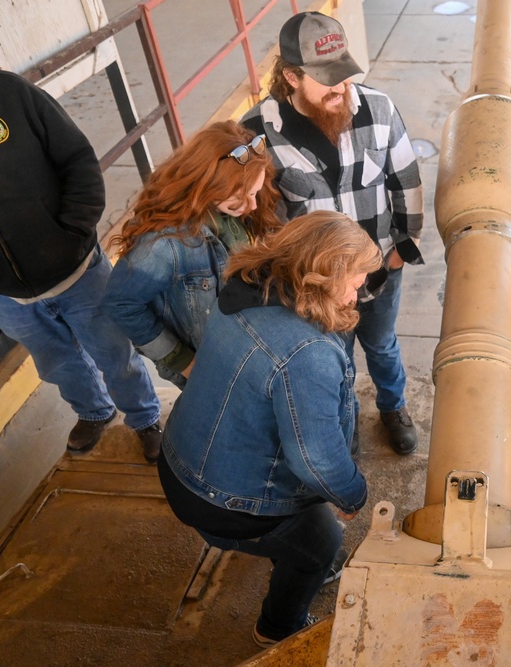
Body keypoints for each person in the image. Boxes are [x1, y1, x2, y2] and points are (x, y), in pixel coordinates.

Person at [157, 210, 380, 648]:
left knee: (310, 534)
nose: (358, 295)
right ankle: (278, 628)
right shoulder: (307, 351)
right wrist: (352, 494)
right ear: (323, 276)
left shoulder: (245, 289)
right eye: (355, 282)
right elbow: (315, 461)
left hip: (179, 460)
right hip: (221, 501)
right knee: (321, 541)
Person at [0, 44, 162, 458]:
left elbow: (77, 159)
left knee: (115, 353)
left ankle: (144, 418)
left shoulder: (6, 93)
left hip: (78, 272)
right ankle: (93, 411)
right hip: (5, 296)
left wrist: (70, 232)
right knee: (56, 364)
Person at [241, 11, 424, 456]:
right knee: (331, 360)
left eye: (343, 74)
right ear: (291, 77)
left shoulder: (378, 110)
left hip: (379, 270)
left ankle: (393, 405)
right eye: (326, 79)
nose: (341, 88)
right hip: (317, 286)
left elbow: (408, 184)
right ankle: (346, 421)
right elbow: (259, 224)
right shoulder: (258, 133)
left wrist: (400, 251)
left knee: (381, 345)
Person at [103, 121, 281, 392]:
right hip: (211, 370)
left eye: (255, 192)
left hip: (248, 351)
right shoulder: (165, 244)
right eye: (241, 197)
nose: (253, 205)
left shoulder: (232, 210)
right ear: (207, 184)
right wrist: (184, 362)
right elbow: (120, 303)